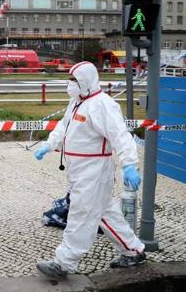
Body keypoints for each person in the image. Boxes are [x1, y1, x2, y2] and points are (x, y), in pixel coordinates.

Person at [34, 61, 146, 279]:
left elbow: (120, 136)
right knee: (105, 212)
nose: (70, 84)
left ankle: (63, 263)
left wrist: (129, 165)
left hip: (93, 170)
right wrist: (49, 144)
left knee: (81, 214)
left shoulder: (102, 105)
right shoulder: (77, 102)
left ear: (85, 81)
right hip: (81, 169)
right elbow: (63, 127)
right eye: (70, 79)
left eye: (74, 80)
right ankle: (134, 250)